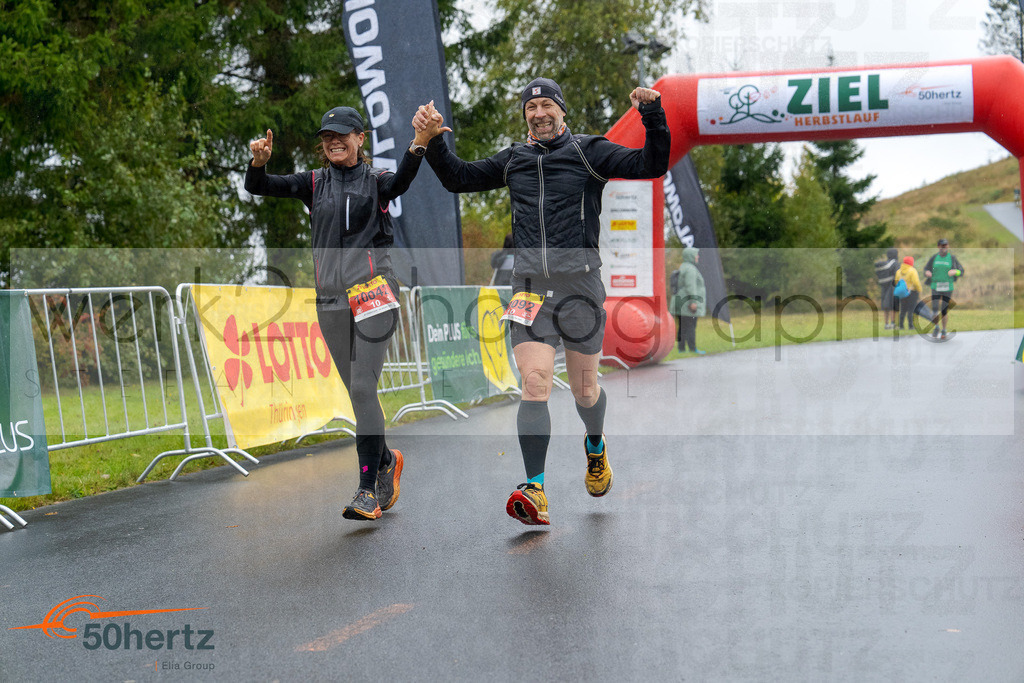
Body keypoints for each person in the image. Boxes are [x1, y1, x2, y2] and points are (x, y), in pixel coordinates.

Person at [412, 78, 670, 525]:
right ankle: (535, 488)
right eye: (531, 108)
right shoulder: (514, 159)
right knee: (534, 384)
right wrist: (433, 140)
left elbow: (652, 163)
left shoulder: (590, 152)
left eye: (547, 104)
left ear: (562, 110)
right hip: (529, 289)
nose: (539, 113)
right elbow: (458, 178)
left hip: (580, 287)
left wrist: (653, 114)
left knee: (585, 391)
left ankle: (595, 445)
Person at [245, 106, 432, 521]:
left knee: (363, 388)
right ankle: (386, 460)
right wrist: (258, 163)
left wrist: (419, 144)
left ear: (359, 138)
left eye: (342, 134)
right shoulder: (314, 183)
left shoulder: (377, 181)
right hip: (330, 301)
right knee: (357, 392)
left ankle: (367, 490)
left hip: (374, 293)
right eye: (327, 136)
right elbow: (259, 186)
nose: (333, 141)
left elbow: (401, 181)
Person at [923, 238, 965, 340]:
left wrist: (955, 272)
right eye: (942, 245)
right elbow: (926, 269)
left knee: (944, 310)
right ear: (938, 247)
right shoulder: (934, 257)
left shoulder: (952, 258)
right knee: (934, 309)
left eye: (946, 245)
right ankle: (936, 327)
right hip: (935, 286)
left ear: (948, 246)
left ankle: (944, 330)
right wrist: (927, 272)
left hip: (948, 287)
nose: (944, 247)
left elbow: (962, 271)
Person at [668, 247, 706, 354]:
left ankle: (681, 349)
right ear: (690, 256)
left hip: (681, 301)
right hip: (687, 302)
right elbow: (690, 286)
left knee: (683, 326)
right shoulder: (690, 269)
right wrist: (693, 301)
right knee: (691, 326)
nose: (697, 256)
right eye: (696, 254)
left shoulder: (683, 266)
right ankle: (692, 349)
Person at [893, 255, 922, 332]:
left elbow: (896, 282)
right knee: (911, 309)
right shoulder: (912, 270)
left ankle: (901, 325)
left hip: (903, 293)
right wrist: (919, 289)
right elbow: (916, 282)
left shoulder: (898, 271)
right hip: (912, 292)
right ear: (911, 262)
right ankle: (911, 325)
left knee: (903, 309)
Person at [874, 247, 899, 330]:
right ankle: (893, 323)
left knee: (886, 306)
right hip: (892, 286)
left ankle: (886, 324)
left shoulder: (884, 264)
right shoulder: (895, 263)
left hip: (883, 286)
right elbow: (897, 275)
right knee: (892, 305)